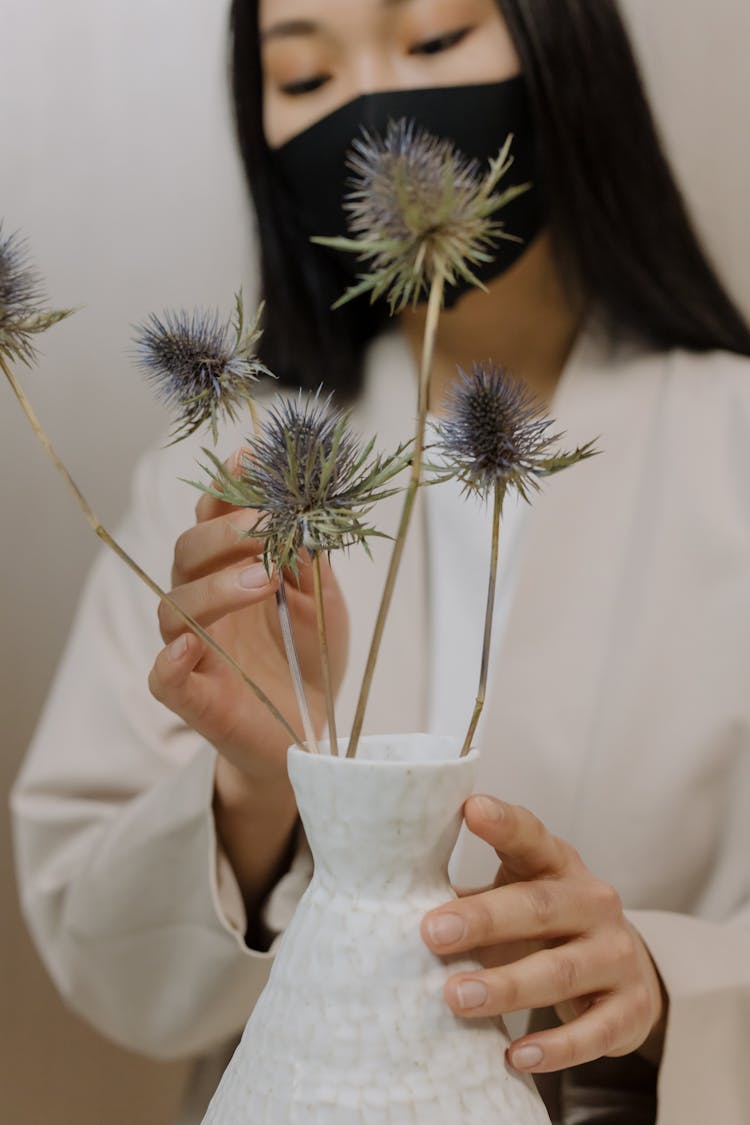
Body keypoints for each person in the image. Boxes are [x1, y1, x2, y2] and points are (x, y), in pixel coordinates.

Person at [10, 1, 750, 1122]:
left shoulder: (734, 448)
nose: (374, 112)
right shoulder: (221, 480)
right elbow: (106, 955)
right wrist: (253, 786)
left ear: (566, 50)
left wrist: (662, 979)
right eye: (304, 79)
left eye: (436, 43)